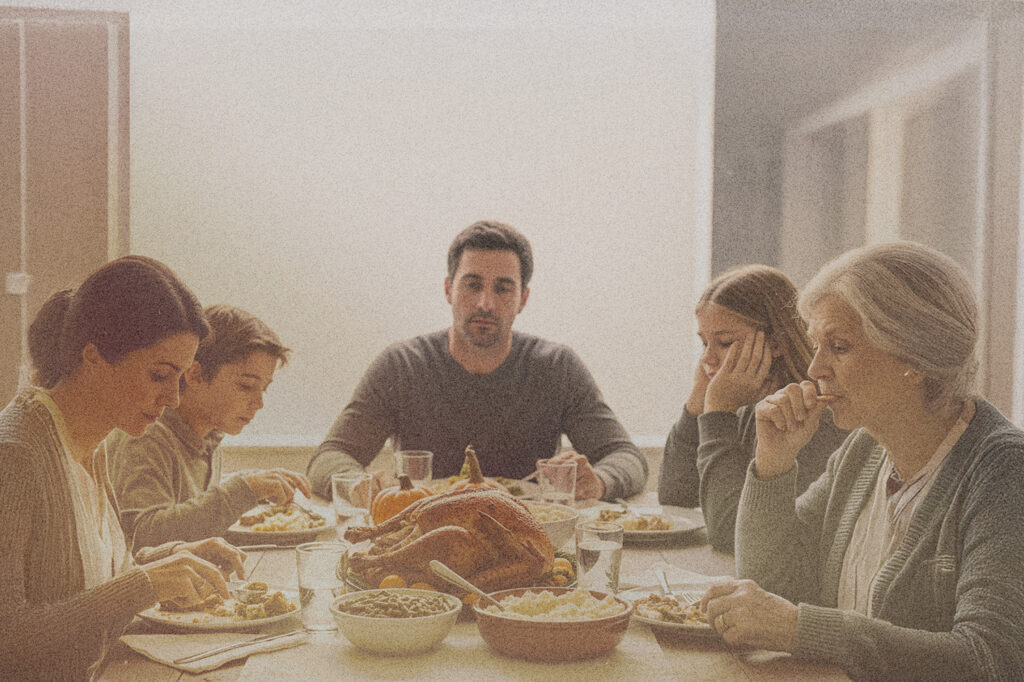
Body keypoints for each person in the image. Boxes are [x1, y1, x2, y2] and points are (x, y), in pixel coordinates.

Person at [702, 242, 1024, 680]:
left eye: (839, 346)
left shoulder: (1005, 469)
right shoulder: (865, 450)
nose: (815, 369)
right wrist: (773, 464)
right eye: (817, 346)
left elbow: (990, 658)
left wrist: (802, 629)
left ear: (915, 357)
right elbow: (773, 584)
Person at [2, 256, 247, 680]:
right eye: (158, 375)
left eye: (180, 379)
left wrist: (171, 558)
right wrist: (143, 585)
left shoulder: (88, 441)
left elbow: (73, 582)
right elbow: (7, 640)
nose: (172, 398)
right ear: (94, 357)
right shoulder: (16, 456)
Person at [308, 220, 646, 501]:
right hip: (425, 535)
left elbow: (628, 459)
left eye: (503, 289)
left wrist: (599, 481)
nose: (485, 303)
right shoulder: (402, 366)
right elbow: (329, 459)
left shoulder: (556, 367)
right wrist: (358, 486)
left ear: (522, 299)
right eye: (472, 285)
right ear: (448, 290)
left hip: (528, 538)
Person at [658, 265, 848, 551]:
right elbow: (676, 493)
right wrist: (698, 402)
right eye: (704, 343)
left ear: (775, 344)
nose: (708, 357)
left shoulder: (808, 415)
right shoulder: (749, 403)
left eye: (724, 342)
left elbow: (730, 534)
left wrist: (718, 412)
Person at [107, 304, 310, 548]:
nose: (259, 403)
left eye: (264, 388)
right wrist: (245, 490)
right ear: (195, 376)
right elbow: (142, 534)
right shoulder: (146, 435)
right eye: (246, 385)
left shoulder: (208, 438)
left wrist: (253, 482)